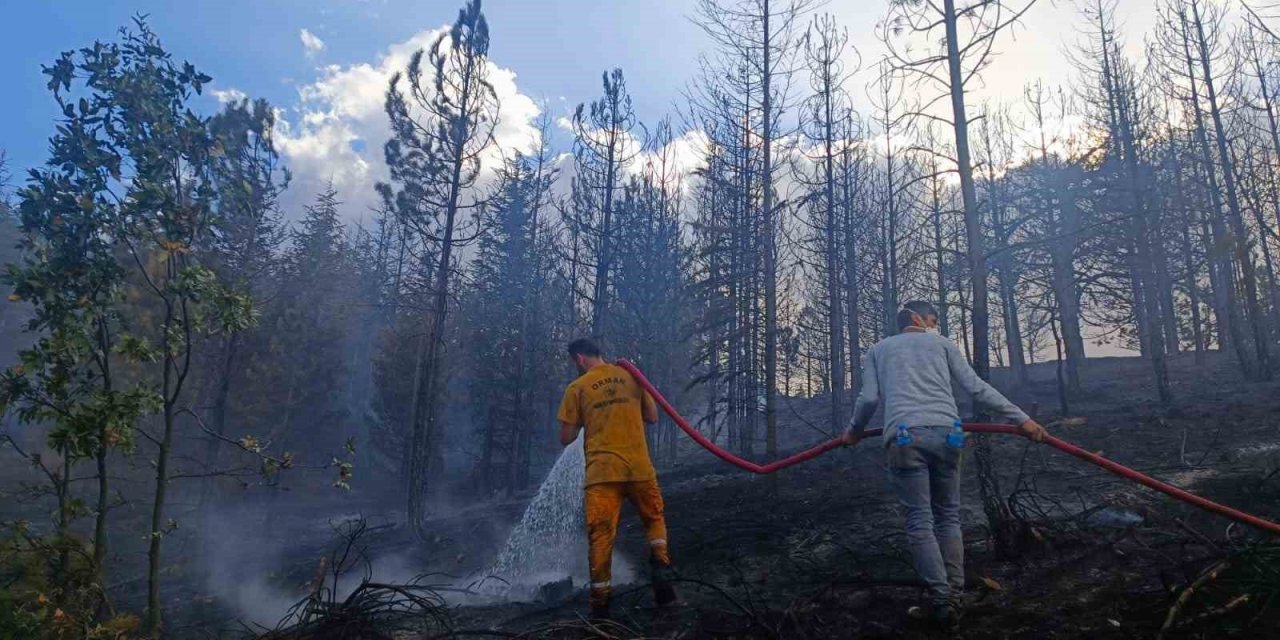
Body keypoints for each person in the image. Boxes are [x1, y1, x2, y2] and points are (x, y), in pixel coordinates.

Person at [843, 301, 1047, 631]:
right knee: (948, 516)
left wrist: (854, 431)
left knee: (920, 520)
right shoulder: (942, 345)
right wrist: (1021, 418)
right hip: (949, 436)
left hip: (906, 439)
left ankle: (943, 601)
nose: (934, 326)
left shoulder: (878, 350)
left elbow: (868, 399)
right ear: (914, 317)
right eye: (932, 319)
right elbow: (976, 387)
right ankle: (955, 595)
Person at [558, 338, 677, 619]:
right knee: (654, 519)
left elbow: (566, 438)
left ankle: (600, 607)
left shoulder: (577, 387)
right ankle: (661, 570)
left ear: (578, 358)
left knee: (600, 536)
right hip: (639, 469)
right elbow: (652, 416)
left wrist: (590, 417)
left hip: (602, 475)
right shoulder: (632, 376)